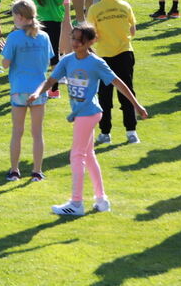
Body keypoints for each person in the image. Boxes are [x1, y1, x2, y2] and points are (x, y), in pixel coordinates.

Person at [29, 24, 149, 216]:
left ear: (90, 42)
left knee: (76, 155)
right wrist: (36, 93)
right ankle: (101, 200)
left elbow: (118, 82)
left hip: (89, 113)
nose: (75, 43)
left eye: (80, 40)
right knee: (89, 156)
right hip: (83, 114)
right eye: (73, 38)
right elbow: (51, 81)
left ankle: (76, 203)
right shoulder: (67, 60)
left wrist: (137, 105)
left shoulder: (96, 63)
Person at [2, 0, 52, 181]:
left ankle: (14, 171)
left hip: (19, 89)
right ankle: (37, 172)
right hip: (38, 88)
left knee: (17, 131)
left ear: (21, 17)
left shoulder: (14, 37)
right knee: (37, 133)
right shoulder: (44, 36)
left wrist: (4, 52)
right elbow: (47, 61)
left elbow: (5, 64)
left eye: (14, 16)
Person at [88, 0, 139, 144]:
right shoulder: (125, 5)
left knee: (104, 95)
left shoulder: (95, 10)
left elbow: (91, 36)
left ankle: (105, 133)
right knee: (127, 91)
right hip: (125, 53)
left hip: (104, 57)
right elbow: (133, 31)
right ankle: (131, 132)